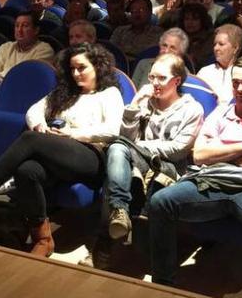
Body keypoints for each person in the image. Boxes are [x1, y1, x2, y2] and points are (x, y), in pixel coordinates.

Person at [0, 43, 125, 257]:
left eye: (81, 68)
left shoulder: (109, 93)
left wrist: (72, 134)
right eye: (72, 69)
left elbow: (113, 130)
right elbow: (34, 110)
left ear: (97, 66)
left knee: (30, 139)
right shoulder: (65, 93)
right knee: (27, 170)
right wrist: (41, 126)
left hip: (90, 155)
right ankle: (43, 239)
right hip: (58, 152)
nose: (76, 74)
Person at [148, 54, 242, 296]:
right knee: (160, 202)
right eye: (235, 82)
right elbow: (200, 155)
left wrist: (222, 151)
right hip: (212, 180)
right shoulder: (219, 114)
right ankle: (163, 285)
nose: (239, 89)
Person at [83, 53, 204, 269]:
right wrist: (136, 103)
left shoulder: (191, 109)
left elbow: (177, 150)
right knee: (118, 151)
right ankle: (118, 214)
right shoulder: (146, 103)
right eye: (151, 77)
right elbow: (126, 138)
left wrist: (140, 148)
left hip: (169, 166)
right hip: (135, 158)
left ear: (177, 81)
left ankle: (105, 242)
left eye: (161, 78)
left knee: (118, 151)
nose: (155, 84)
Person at [0, 11, 54, 77]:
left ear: (36, 30)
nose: (19, 30)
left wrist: (1, 75)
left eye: (25, 26)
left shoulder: (44, 50)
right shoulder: (6, 47)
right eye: (17, 25)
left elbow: (26, 77)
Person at [197, 24, 242, 105]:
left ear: (235, 48)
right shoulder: (204, 72)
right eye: (215, 44)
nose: (216, 48)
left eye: (221, 44)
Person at [180, 3, 215, 67]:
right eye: (187, 18)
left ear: (202, 21)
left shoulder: (210, 39)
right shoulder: (179, 36)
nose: (190, 22)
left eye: (195, 19)